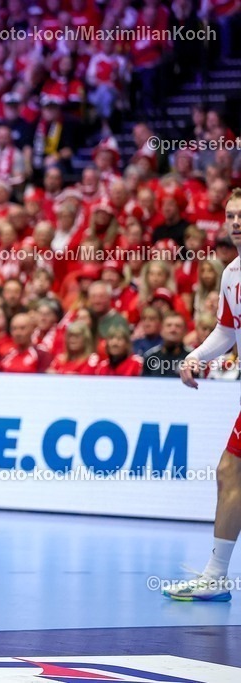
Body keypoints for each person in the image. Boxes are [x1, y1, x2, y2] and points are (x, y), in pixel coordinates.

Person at [166, 188, 241, 601]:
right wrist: (196, 357)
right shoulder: (231, 274)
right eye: (230, 215)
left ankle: (216, 575)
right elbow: (228, 331)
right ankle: (215, 576)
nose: (236, 222)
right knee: (230, 473)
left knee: (231, 473)